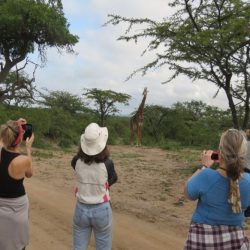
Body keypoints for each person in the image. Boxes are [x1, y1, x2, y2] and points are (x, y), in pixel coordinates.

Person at [184, 128, 250, 250]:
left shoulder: (206, 176)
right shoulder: (248, 181)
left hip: (202, 241)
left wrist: (204, 166)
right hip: (235, 242)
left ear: (220, 151)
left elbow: (188, 193)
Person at [71, 122, 118, 250]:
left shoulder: (76, 161)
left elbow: (77, 167)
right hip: (101, 209)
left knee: (78, 247)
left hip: (81, 208)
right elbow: (113, 178)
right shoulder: (107, 164)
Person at [0, 118, 34, 250]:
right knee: (16, 244)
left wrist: (14, 124)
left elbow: (2, 139)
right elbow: (29, 174)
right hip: (16, 210)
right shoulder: (23, 160)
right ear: (20, 139)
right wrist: (28, 148)